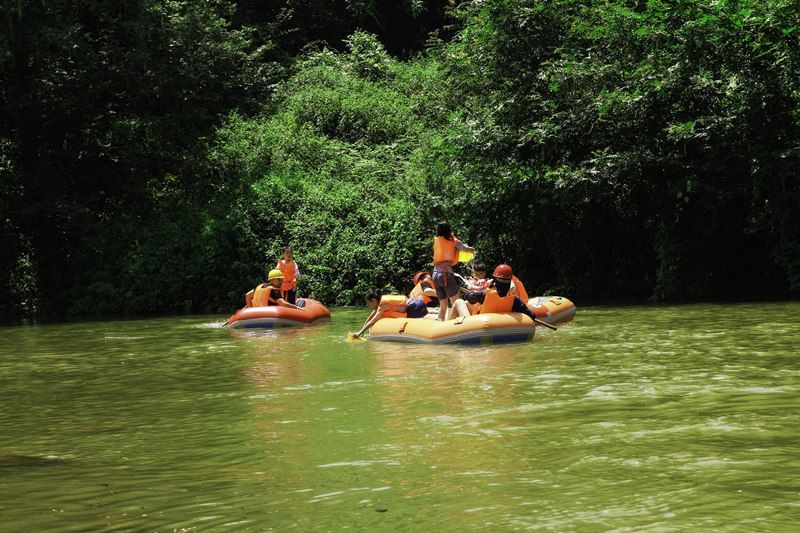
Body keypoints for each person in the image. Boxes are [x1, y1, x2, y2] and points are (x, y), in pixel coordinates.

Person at [456, 264, 537, 320]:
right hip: (501, 326)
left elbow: (469, 298)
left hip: (478, 326)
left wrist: (468, 293)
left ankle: (444, 326)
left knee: (459, 302)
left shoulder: (484, 294)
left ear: (495, 280)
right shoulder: (515, 300)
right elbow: (531, 315)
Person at [432, 221, 475, 321]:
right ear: (449, 230)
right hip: (445, 273)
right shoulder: (454, 241)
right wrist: (472, 249)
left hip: (435, 274)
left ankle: (439, 326)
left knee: (443, 306)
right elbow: (464, 249)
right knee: (457, 303)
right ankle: (455, 326)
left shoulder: (436, 240)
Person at [351, 290, 428, 339]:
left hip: (414, 307)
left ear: (373, 300)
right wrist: (363, 331)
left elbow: (373, 321)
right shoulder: (381, 303)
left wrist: (359, 333)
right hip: (419, 303)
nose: (368, 306)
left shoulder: (382, 306)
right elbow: (370, 316)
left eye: (368, 303)